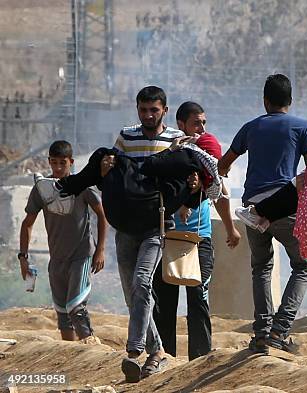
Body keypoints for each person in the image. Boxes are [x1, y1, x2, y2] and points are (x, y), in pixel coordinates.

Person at [217, 74, 307, 354]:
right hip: (285, 207)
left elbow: (224, 164)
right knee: (303, 265)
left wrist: (223, 174)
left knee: (261, 266)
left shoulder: (251, 127)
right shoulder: (303, 127)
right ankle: (280, 330)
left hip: (253, 209)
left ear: (265, 101)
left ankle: (261, 333)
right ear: (291, 101)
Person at [152, 101, 241, 361]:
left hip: (199, 237)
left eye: (203, 122)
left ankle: (200, 360)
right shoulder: (170, 154)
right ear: (181, 125)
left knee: (199, 299)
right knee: (164, 303)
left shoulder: (205, 157)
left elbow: (219, 193)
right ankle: (164, 357)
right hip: (168, 236)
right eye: (196, 123)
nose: (201, 128)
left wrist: (230, 228)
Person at [108, 86, 185, 382]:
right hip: (126, 226)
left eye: (154, 110)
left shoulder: (175, 140)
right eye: (143, 110)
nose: (148, 115)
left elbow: (184, 176)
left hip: (156, 226)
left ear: (164, 110)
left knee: (142, 281)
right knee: (133, 293)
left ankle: (135, 350)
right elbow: (115, 175)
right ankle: (157, 351)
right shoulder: (126, 137)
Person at [18, 140, 107, 343]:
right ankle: (70, 356)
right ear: (49, 162)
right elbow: (27, 223)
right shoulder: (43, 189)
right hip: (57, 258)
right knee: (62, 313)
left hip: (81, 255)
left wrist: (100, 249)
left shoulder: (81, 185)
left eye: (63, 163)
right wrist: (23, 257)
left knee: (76, 308)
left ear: (71, 162)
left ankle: (91, 349)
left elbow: (102, 215)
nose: (58, 168)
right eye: (54, 163)